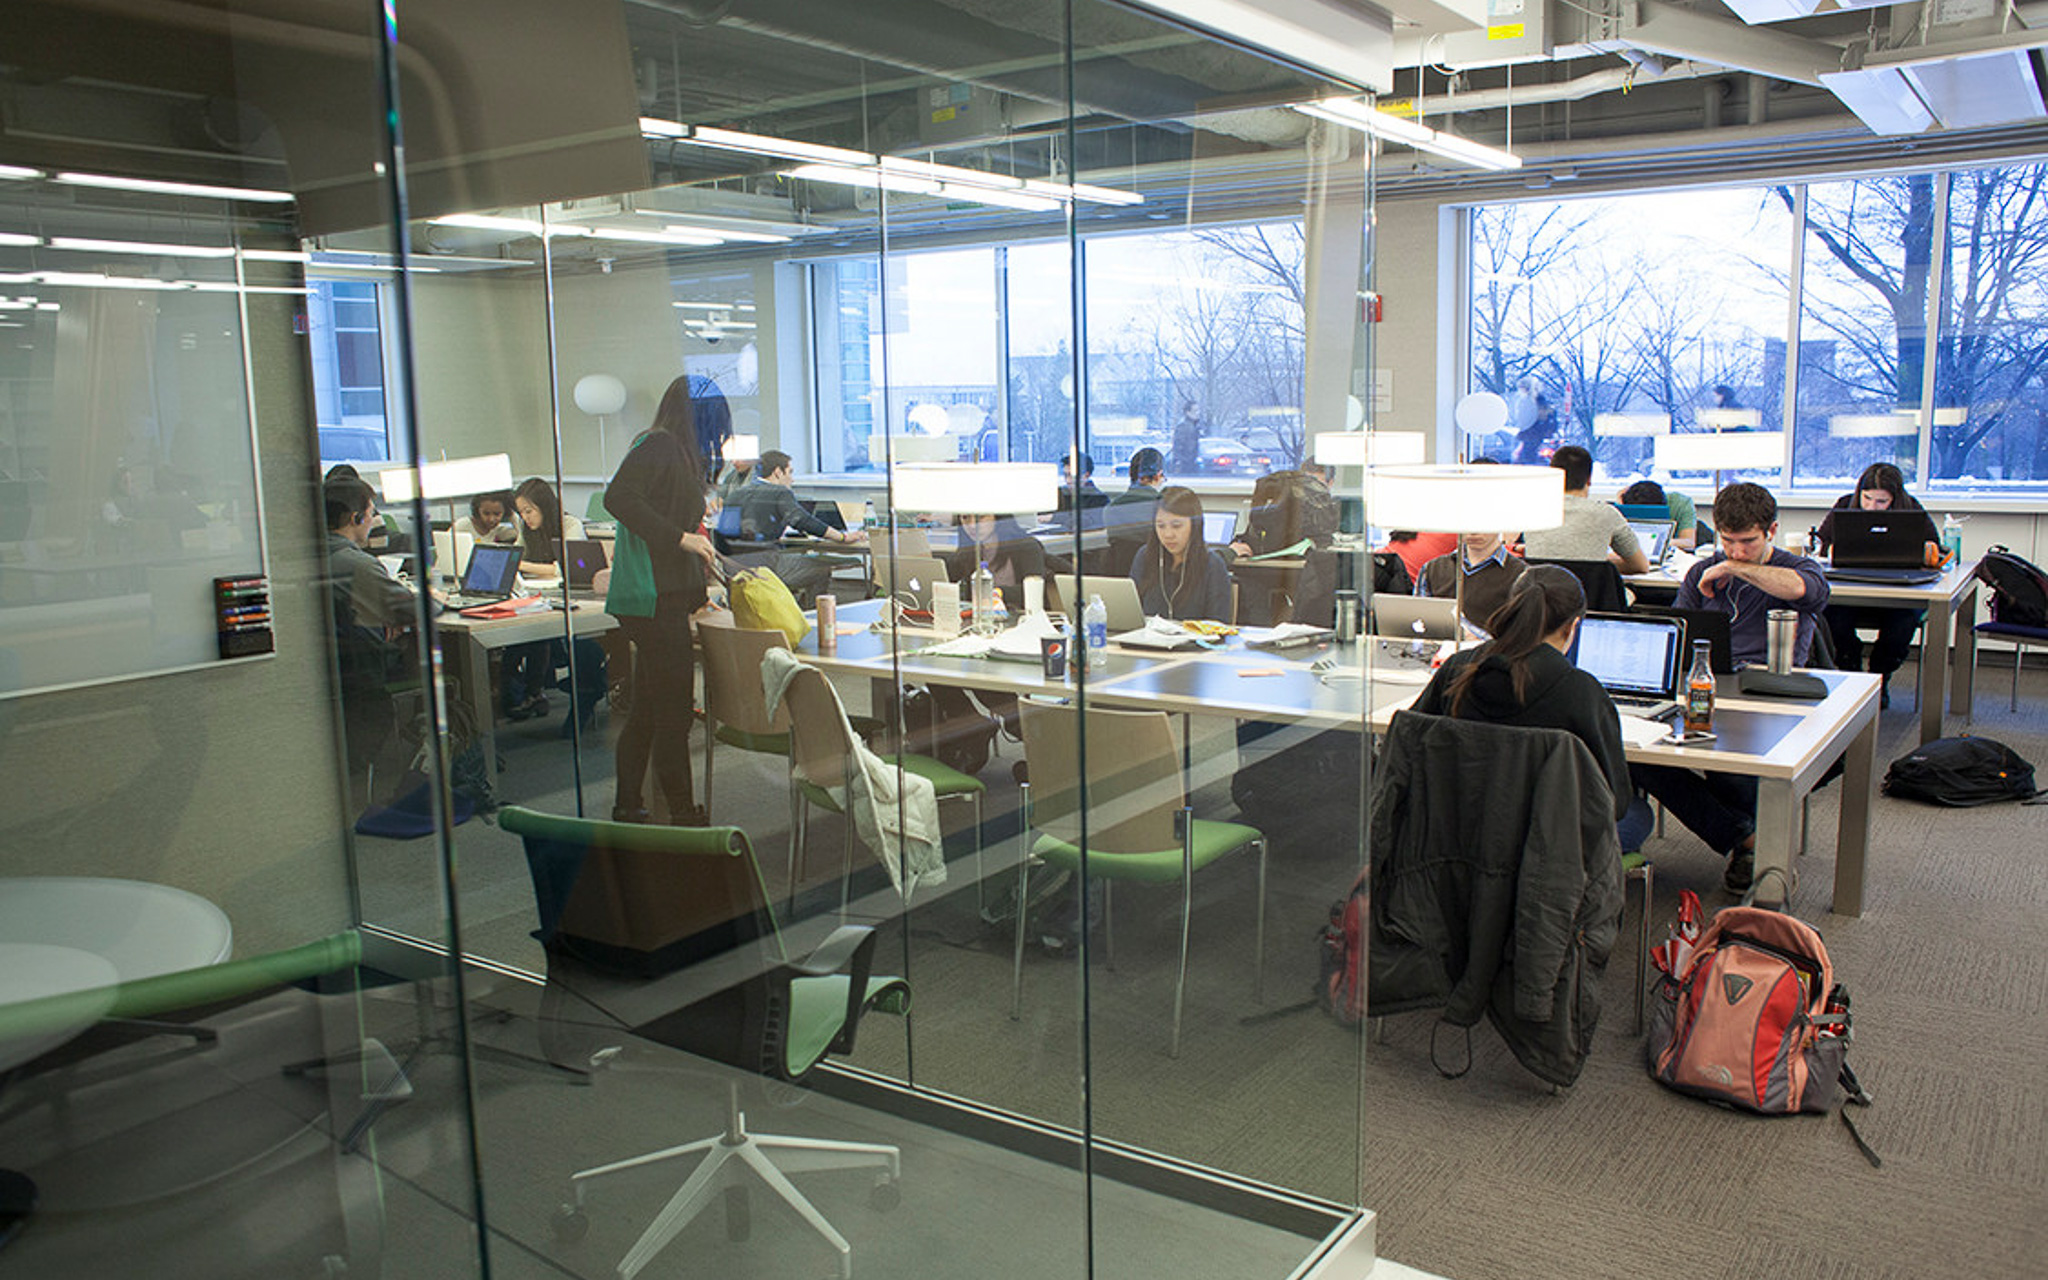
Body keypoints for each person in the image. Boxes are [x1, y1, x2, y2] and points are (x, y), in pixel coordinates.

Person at [1629, 482, 1830, 893]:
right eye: (1728, 541)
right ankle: (1747, 838)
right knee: (1637, 755)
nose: (1737, 551)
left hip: (1770, 696)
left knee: (1729, 765)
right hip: (1704, 687)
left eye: (1748, 542)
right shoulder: (1701, 573)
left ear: (1772, 531)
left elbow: (1801, 590)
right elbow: (1679, 632)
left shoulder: (1799, 568)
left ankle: (1746, 841)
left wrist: (1733, 569)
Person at [1415, 565, 1653, 852]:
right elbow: (1612, 800)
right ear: (1573, 626)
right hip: (1543, 848)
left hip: (1454, 834)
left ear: (1513, 608)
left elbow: (1411, 740)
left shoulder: (1458, 669)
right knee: (1639, 813)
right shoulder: (1580, 691)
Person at [604, 375, 717, 826]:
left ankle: (628, 804)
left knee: (649, 712)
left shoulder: (666, 449)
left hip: (656, 598)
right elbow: (617, 498)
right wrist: (682, 538)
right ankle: (684, 813)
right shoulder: (660, 446)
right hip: (654, 599)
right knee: (673, 714)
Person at [324, 476, 433, 788]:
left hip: (334, 672)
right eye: (372, 513)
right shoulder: (355, 563)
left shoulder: (311, 555)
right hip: (364, 676)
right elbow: (416, 611)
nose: (373, 521)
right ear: (355, 518)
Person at [1817, 462, 1938, 707]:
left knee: (1903, 621)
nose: (1872, 507)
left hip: (1898, 594)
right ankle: (1850, 670)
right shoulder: (1845, 505)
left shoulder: (1911, 509)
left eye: (1882, 501)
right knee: (1831, 614)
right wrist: (1829, 549)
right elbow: (1822, 543)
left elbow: (1934, 546)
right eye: (1867, 499)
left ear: (1895, 499)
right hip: (1851, 590)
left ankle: (1881, 676)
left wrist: (1923, 552)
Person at [496, 477, 587, 721]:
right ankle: (521, 693)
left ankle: (529, 693)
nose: (525, 517)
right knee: (520, 636)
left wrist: (520, 563)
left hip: (570, 598)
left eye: (529, 511)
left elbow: (562, 568)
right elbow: (519, 553)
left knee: (534, 636)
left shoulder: (570, 525)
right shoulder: (527, 529)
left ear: (544, 506)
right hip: (536, 597)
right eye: (521, 512)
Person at [734, 448, 865, 605]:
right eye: (790, 472)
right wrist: (843, 537)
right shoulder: (780, 492)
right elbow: (803, 521)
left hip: (735, 569)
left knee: (804, 560)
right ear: (778, 472)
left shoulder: (737, 493)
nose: (792, 479)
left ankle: (791, 606)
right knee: (821, 569)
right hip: (766, 568)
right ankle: (811, 614)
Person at [1522, 445, 1651, 574]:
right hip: (1590, 587)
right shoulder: (1606, 514)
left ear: (1554, 477)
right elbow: (1641, 566)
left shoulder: (1532, 513)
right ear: (1589, 479)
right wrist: (1600, 562)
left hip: (1542, 586)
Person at [1129, 486, 1232, 621]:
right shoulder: (1145, 556)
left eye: (1176, 526)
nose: (1168, 534)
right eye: (1161, 526)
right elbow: (1130, 612)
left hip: (1193, 635)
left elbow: (1218, 624)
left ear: (1194, 525)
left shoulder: (1212, 565)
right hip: (1148, 634)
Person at [1415, 527, 1526, 635]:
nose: (1473, 532)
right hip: (1439, 644)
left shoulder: (1521, 575)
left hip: (1493, 646)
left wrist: (1476, 638)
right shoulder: (1432, 569)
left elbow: (1522, 634)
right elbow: (1417, 621)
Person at [943, 513, 1048, 593]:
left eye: (981, 517)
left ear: (997, 517)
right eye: (965, 518)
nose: (972, 525)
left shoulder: (1025, 546)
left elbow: (1033, 593)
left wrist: (996, 593)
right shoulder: (967, 551)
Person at [1105, 446, 1166, 573]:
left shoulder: (1112, 508)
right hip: (1155, 576)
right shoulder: (1164, 508)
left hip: (1121, 576)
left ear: (1130, 473)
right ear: (1158, 475)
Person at [1619, 478, 1698, 551]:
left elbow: (1689, 543)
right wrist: (1620, 507)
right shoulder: (1627, 501)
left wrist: (1657, 542)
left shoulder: (1681, 503)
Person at [453, 490, 519, 545]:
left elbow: (521, 535)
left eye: (497, 514)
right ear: (477, 510)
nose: (491, 519)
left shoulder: (498, 530)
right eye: (486, 513)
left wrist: (512, 515)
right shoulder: (462, 526)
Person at [1512, 392, 1558, 465]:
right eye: (1539, 409)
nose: (1542, 412)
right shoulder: (1528, 426)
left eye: (1544, 409)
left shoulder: (1551, 423)